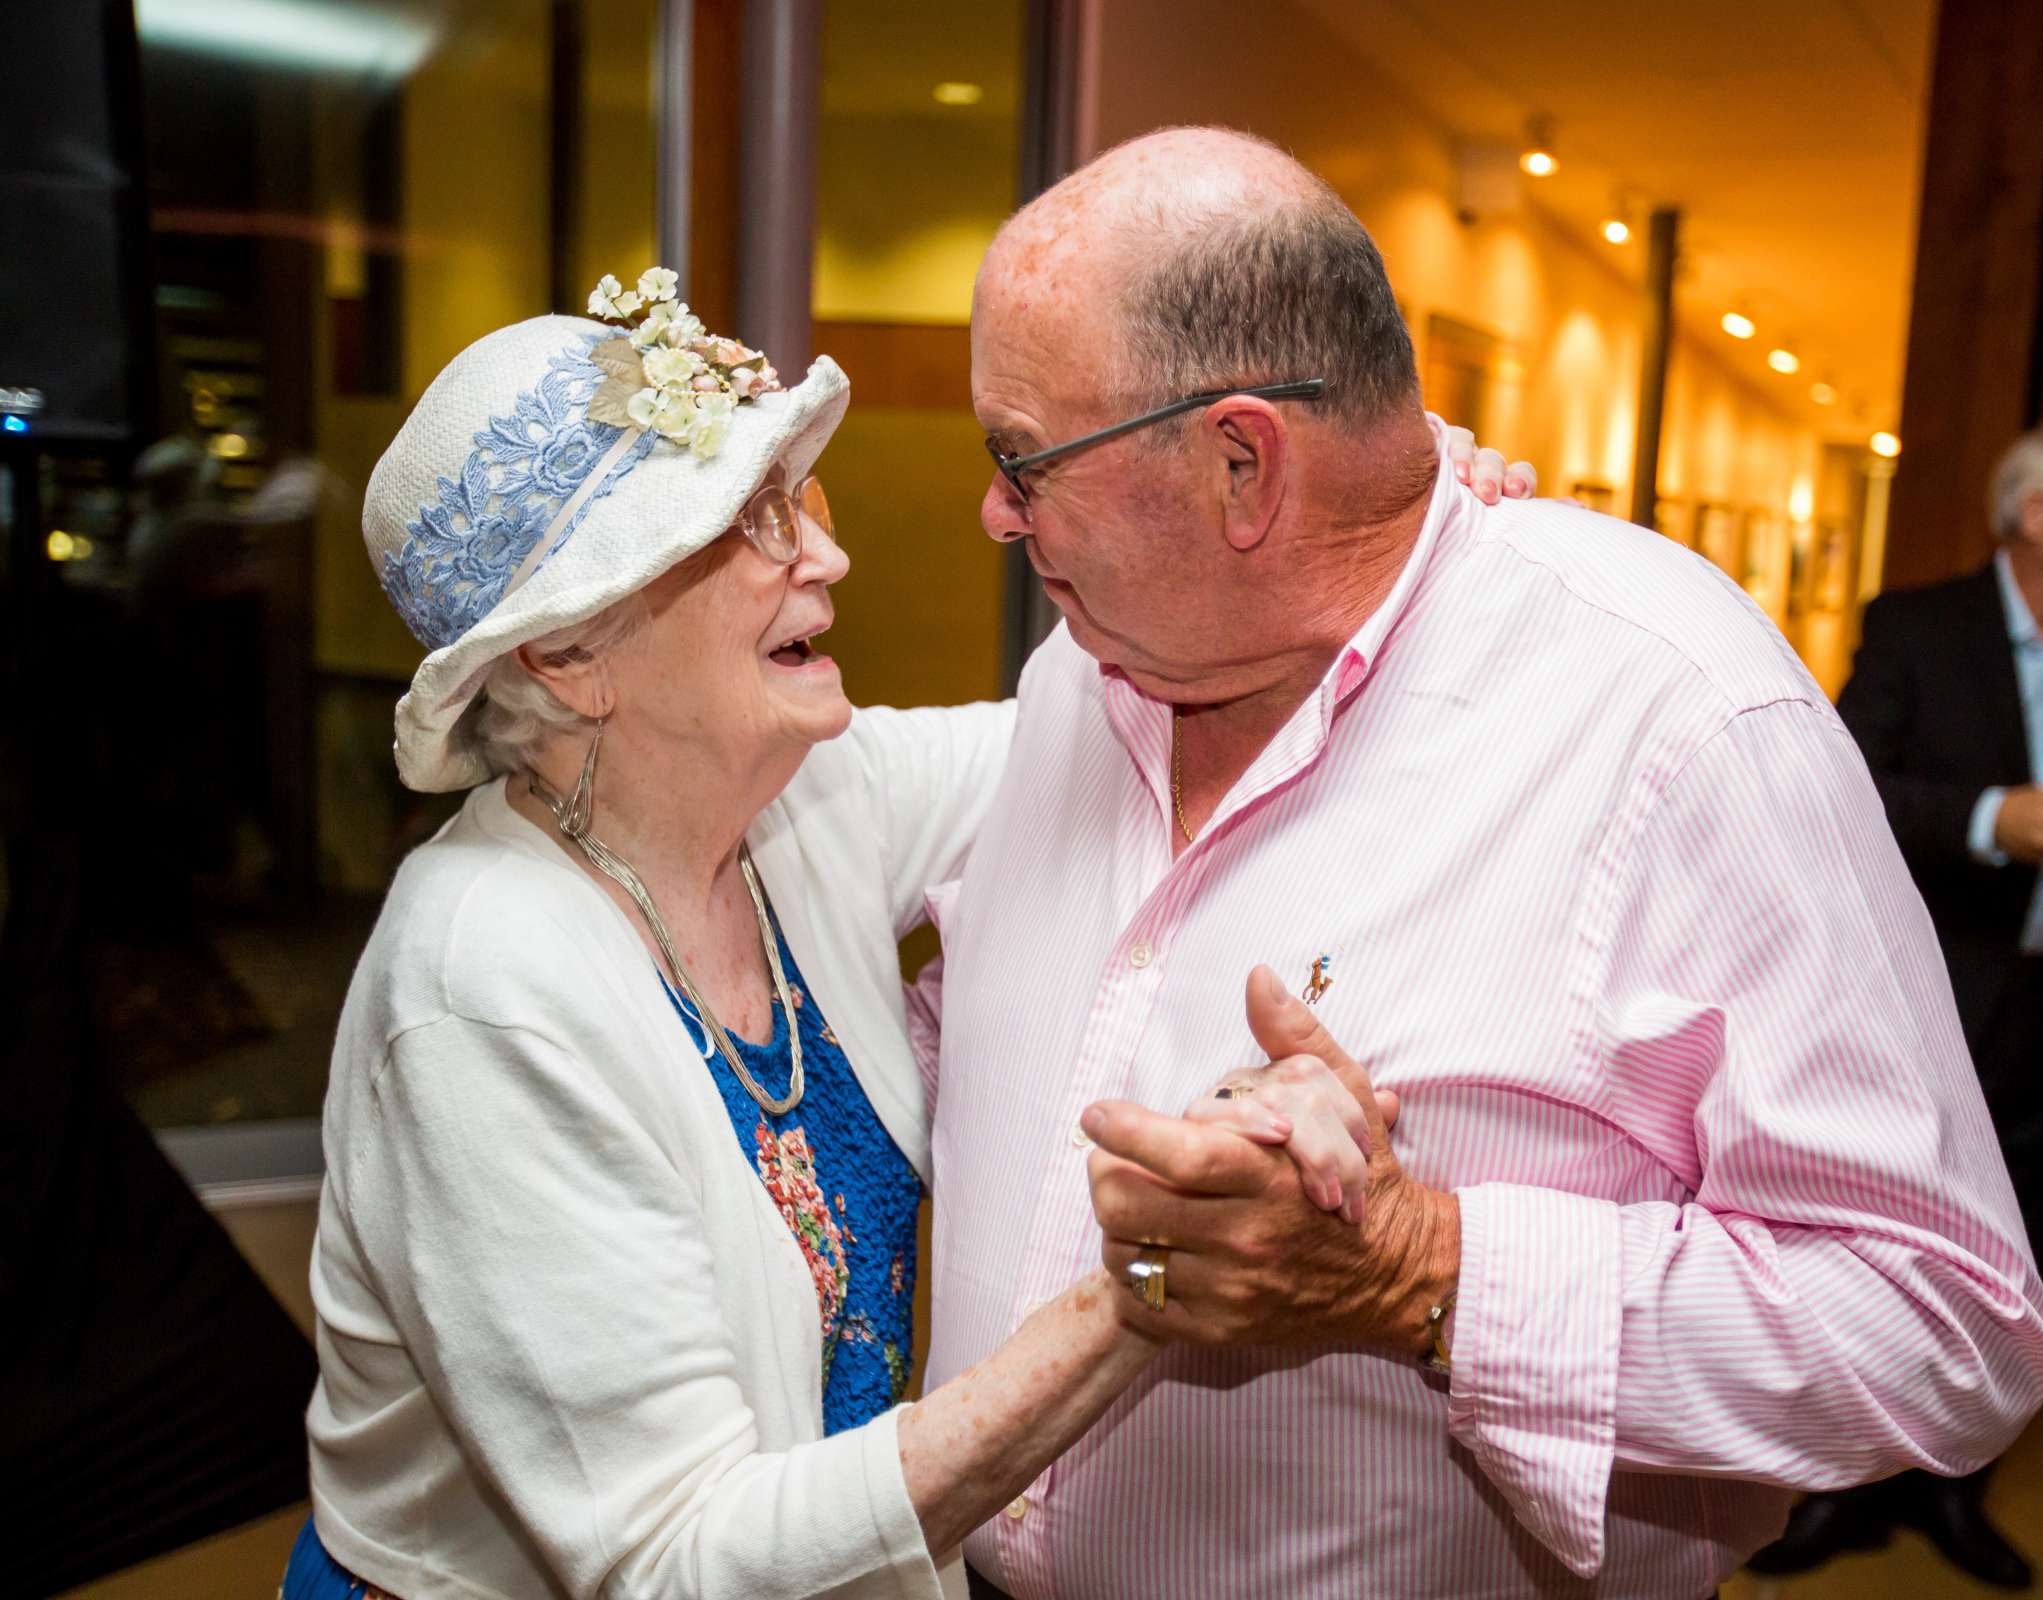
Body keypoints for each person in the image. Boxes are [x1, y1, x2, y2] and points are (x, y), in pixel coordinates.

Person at [914, 126, 2043, 1600]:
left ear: (1242, 462)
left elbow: (1947, 1325)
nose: (995, 515)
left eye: (1021, 460)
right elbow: (1000, 1036)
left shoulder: (1681, 720)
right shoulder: (1081, 675)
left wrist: (1423, 1268)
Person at [284, 273, 1531, 1599]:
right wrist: (1146, 1285)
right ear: (567, 658)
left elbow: (1107, 749)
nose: (825, 556)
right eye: (747, 521)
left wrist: (1334, 519)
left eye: (794, 501)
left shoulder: (804, 806)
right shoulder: (484, 987)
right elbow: (674, 1562)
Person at [1753, 416, 2043, 1588]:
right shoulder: (1918, 628)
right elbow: (1846, 790)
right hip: (1934, 1005)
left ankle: (1956, 1496)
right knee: (1883, 1256)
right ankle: (1835, 1494)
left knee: (2014, 1273)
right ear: (2035, 513)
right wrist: (1991, 818)